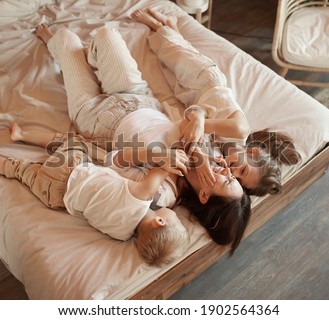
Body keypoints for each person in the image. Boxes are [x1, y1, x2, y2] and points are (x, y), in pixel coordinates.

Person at [35, 24, 250, 254]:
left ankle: (67, 52)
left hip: (98, 119)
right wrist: (197, 126)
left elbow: (112, 163)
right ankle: (91, 58)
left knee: (66, 38)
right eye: (232, 176)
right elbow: (191, 115)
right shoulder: (211, 155)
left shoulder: (163, 192)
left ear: (205, 195)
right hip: (138, 98)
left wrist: (155, 156)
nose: (229, 171)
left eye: (228, 181)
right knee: (107, 34)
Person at [0, 124, 189, 267]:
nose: (176, 214)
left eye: (176, 219)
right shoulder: (121, 235)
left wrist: (172, 164)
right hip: (55, 195)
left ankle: (21, 134)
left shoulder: (142, 195)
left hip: (70, 169)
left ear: (160, 220)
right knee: (15, 169)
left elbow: (160, 169)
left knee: (74, 142)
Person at [131, 8, 301, 197]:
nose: (233, 172)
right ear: (252, 152)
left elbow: (191, 130)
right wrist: (200, 150)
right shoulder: (239, 130)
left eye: (239, 180)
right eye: (242, 169)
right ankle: (158, 24)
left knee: (179, 55)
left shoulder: (221, 151)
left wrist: (200, 153)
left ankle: (170, 24)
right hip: (205, 81)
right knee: (171, 52)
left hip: (190, 95)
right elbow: (199, 124)